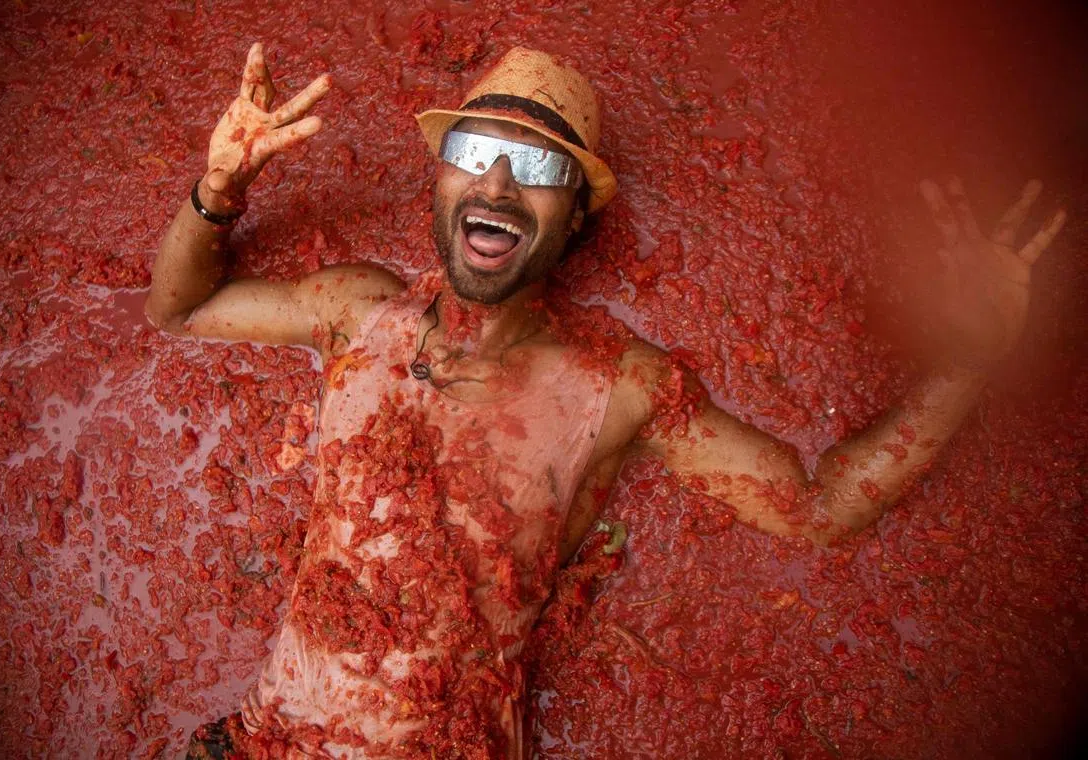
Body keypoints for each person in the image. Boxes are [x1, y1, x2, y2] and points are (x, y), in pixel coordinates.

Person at [147, 43, 1066, 760]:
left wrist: (968, 364)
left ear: (576, 216)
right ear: (442, 178)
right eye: (476, 152)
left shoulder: (617, 386)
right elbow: (179, 311)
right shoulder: (353, 309)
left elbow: (818, 509)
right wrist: (217, 188)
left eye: (538, 169)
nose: (499, 184)